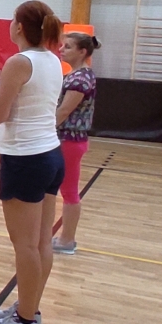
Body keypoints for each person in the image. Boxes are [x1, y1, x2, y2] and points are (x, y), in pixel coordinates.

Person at [0, 0, 65, 324]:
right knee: (41, 241)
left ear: (19, 26)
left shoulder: (19, 62)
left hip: (25, 159)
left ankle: (26, 319)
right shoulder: (53, 60)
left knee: (25, 246)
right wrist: (3, 87)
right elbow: (28, 103)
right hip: (50, 155)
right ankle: (29, 308)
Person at [53, 32, 101, 255]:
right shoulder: (77, 75)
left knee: (69, 192)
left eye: (68, 47)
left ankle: (67, 240)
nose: (62, 50)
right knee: (65, 190)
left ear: (82, 52)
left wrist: (43, 129)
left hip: (69, 141)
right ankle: (64, 238)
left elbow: (64, 111)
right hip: (69, 140)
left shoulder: (80, 79)